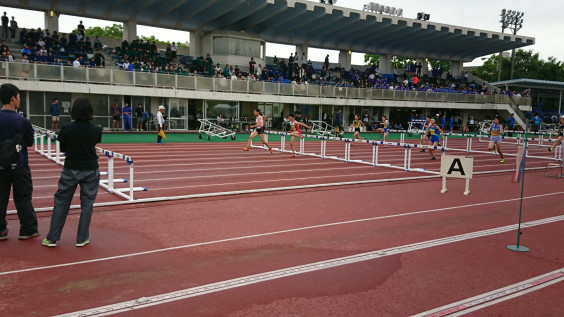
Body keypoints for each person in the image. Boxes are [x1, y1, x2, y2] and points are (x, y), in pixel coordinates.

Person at [42, 98, 102, 248]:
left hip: (71, 169)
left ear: (74, 111)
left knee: (61, 202)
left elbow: (63, 148)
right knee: (87, 204)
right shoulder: (96, 128)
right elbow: (94, 143)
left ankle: (52, 238)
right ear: (90, 111)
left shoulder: (67, 127)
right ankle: (82, 238)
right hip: (90, 169)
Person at [0, 84, 39, 241]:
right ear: (13, 98)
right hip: (20, 165)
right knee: (23, 198)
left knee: (0, 197)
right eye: (19, 97)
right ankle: (28, 229)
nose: (19, 100)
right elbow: (29, 142)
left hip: (0, 166)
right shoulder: (23, 121)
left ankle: (1, 230)